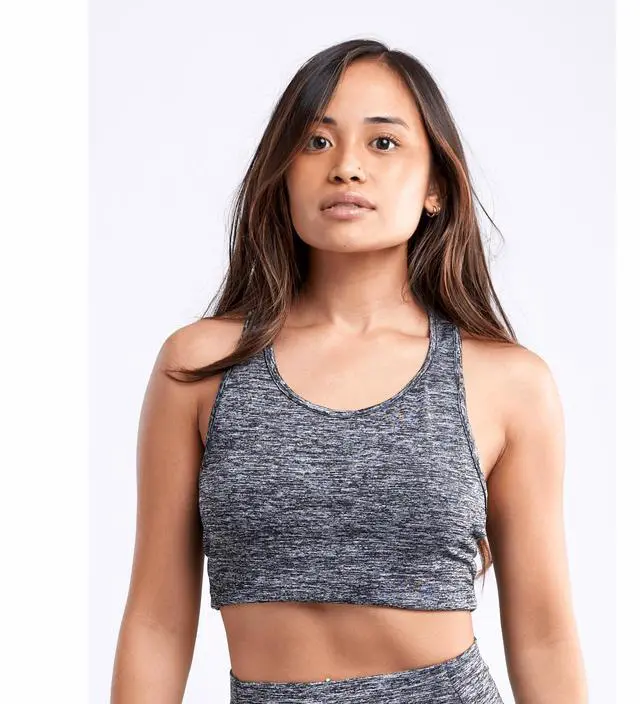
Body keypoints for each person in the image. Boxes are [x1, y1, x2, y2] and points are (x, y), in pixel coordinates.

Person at [111, 38, 588, 703]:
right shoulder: (200, 367)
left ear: (435, 188)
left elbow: (543, 636)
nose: (347, 168)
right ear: (283, 175)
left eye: (383, 143)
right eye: (316, 142)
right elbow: (156, 623)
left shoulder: (508, 382)